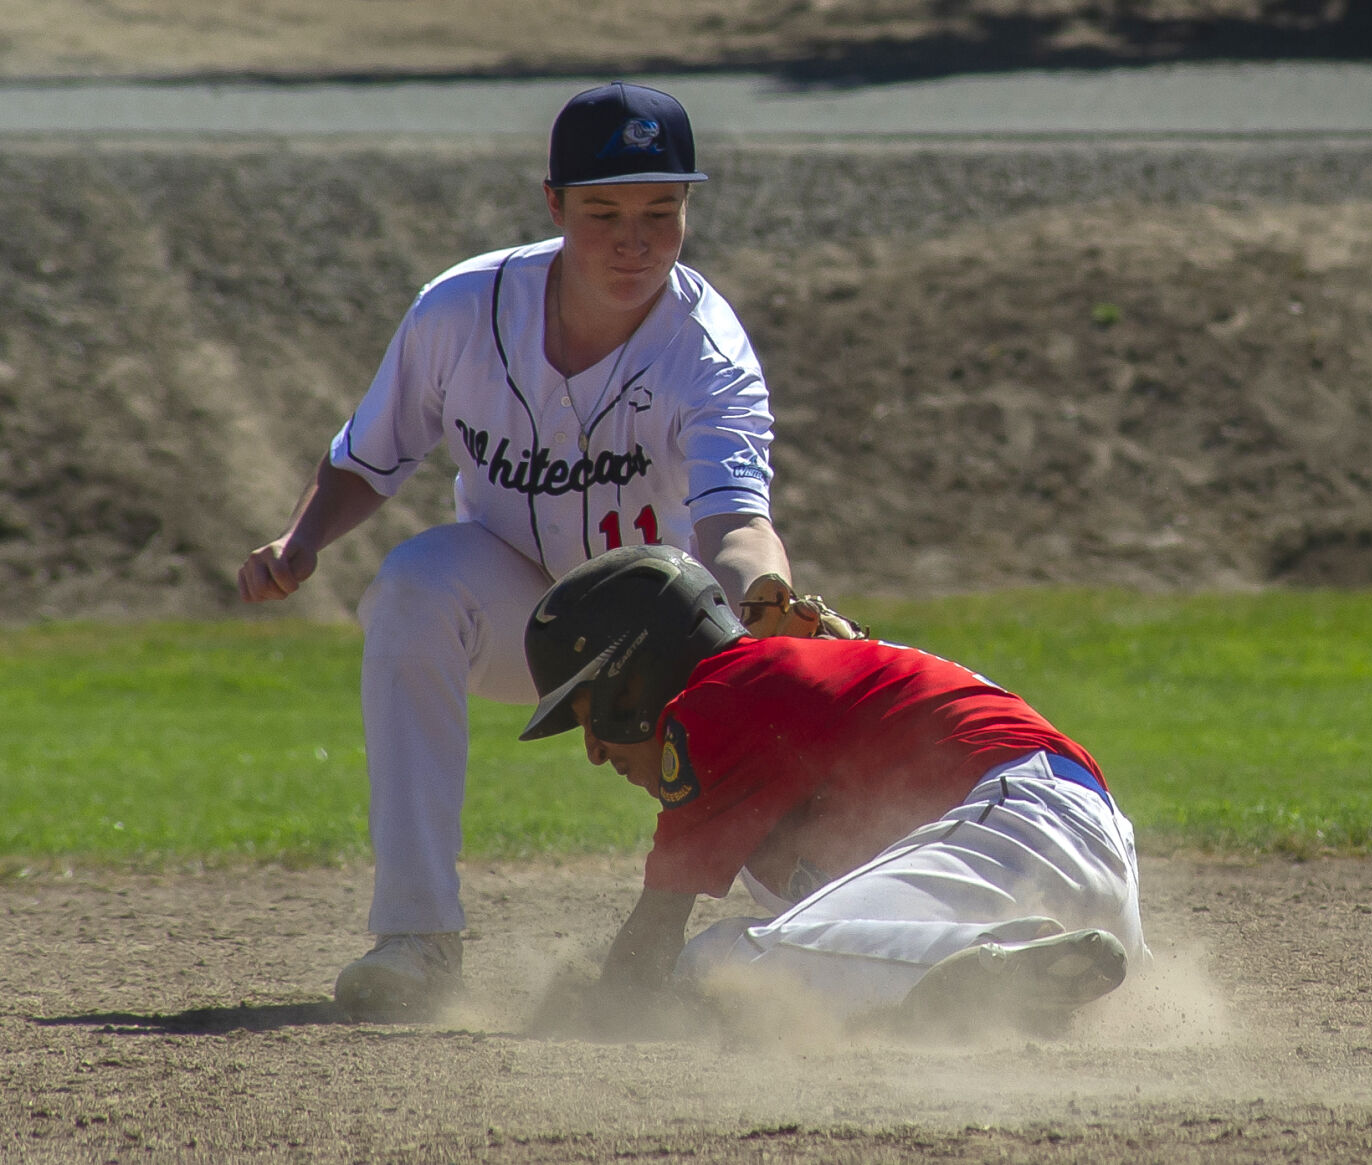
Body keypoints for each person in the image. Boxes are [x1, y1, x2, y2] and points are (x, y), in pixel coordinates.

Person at [235, 82, 794, 1021]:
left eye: (662, 211)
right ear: (553, 205)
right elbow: (369, 455)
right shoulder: (459, 311)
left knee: (761, 757)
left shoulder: (707, 350)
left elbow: (732, 522)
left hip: (656, 642)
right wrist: (302, 540)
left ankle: (846, 936)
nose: (635, 238)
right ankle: (416, 938)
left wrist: (765, 598)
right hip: (515, 613)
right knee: (412, 584)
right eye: (604, 210)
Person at [516, 545, 1148, 1038]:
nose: (595, 751)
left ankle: (999, 966)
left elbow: (649, 947)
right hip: (1072, 855)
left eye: (589, 714)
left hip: (1017, 825)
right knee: (798, 920)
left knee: (719, 963)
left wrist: (588, 1008)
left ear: (636, 678)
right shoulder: (768, 689)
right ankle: (1012, 971)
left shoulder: (719, 695)